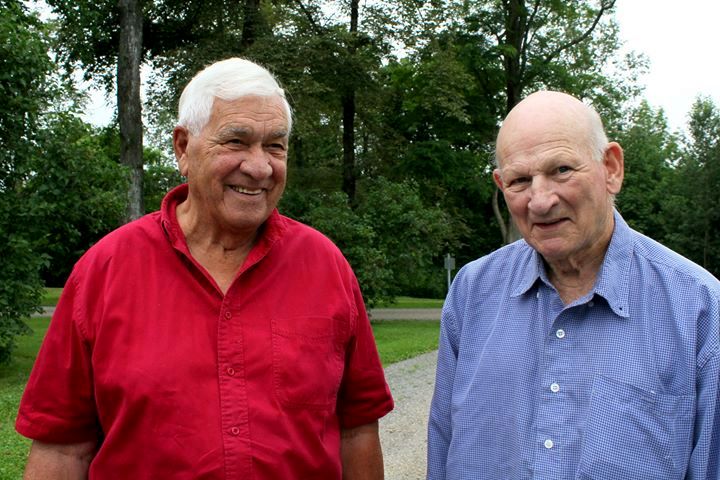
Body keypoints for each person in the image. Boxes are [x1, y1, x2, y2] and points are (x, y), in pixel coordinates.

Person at [16, 57, 394, 479]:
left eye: (275, 145)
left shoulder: (325, 267)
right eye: (236, 141)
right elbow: (63, 448)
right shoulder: (105, 270)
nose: (259, 166)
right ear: (183, 147)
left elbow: (357, 429)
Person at [427, 90, 720, 479]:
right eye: (520, 180)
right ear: (501, 185)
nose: (541, 200)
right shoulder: (472, 292)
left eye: (561, 170)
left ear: (611, 168)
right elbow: (443, 442)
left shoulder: (699, 308)